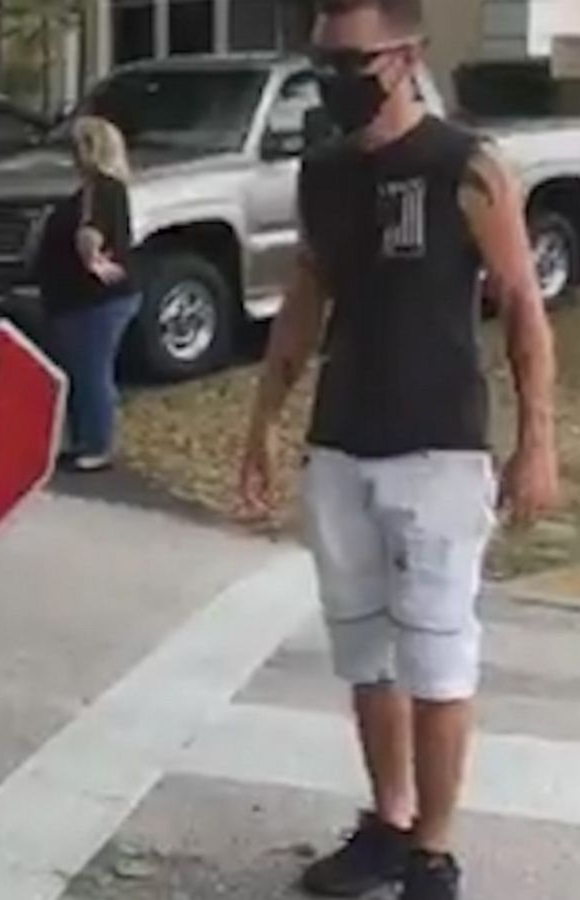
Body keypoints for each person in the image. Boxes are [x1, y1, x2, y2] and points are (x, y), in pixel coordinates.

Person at [237, 2, 560, 898]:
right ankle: (389, 819)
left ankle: (434, 850)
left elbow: (524, 306)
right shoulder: (324, 172)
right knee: (365, 657)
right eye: (323, 60)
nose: (335, 78)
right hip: (342, 441)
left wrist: (538, 441)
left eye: (354, 60)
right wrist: (263, 422)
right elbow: (305, 298)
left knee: (438, 657)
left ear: (407, 55)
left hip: (439, 449)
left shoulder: (467, 166)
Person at [33, 116, 138, 473]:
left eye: (76, 146)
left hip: (94, 299)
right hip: (72, 298)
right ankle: (81, 439)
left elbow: (92, 232)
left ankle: (98, 444)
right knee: (78, 371)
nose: (72, 155)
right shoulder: (94, 190)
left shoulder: (103, 188)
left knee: (92, 370)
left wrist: (91, 256)